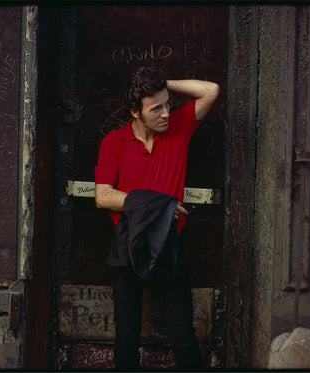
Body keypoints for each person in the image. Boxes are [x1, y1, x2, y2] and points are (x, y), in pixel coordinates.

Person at [94, 66, 219, 370]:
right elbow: (103, 197)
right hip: (126, 243)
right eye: (156, 108)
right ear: (135, 111)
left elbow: (211, 90)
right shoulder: (114, 141)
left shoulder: (178, 127)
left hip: (168, 242)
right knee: (126, 338)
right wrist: (160, 205)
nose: (166, 113)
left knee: (183, 335)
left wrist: (164, 85)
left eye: (167, 104)